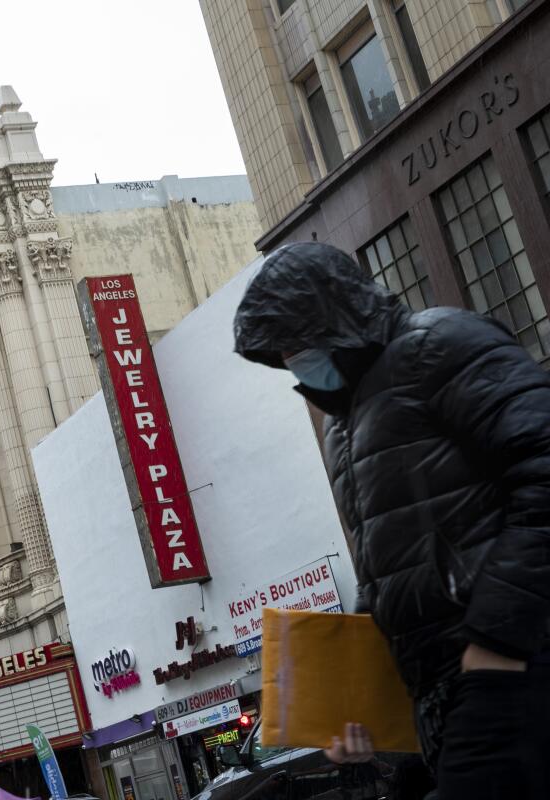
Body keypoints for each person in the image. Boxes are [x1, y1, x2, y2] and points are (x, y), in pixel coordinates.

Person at [233, 242, 550, 799]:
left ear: (338, 316)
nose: (294, 362)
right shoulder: (344, 425)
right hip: (443, 695)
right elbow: (388, 570)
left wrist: (497, 638)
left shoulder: (439, 345)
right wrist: (355, 704)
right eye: (284, 354)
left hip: (512, 662)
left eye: (298, 344)